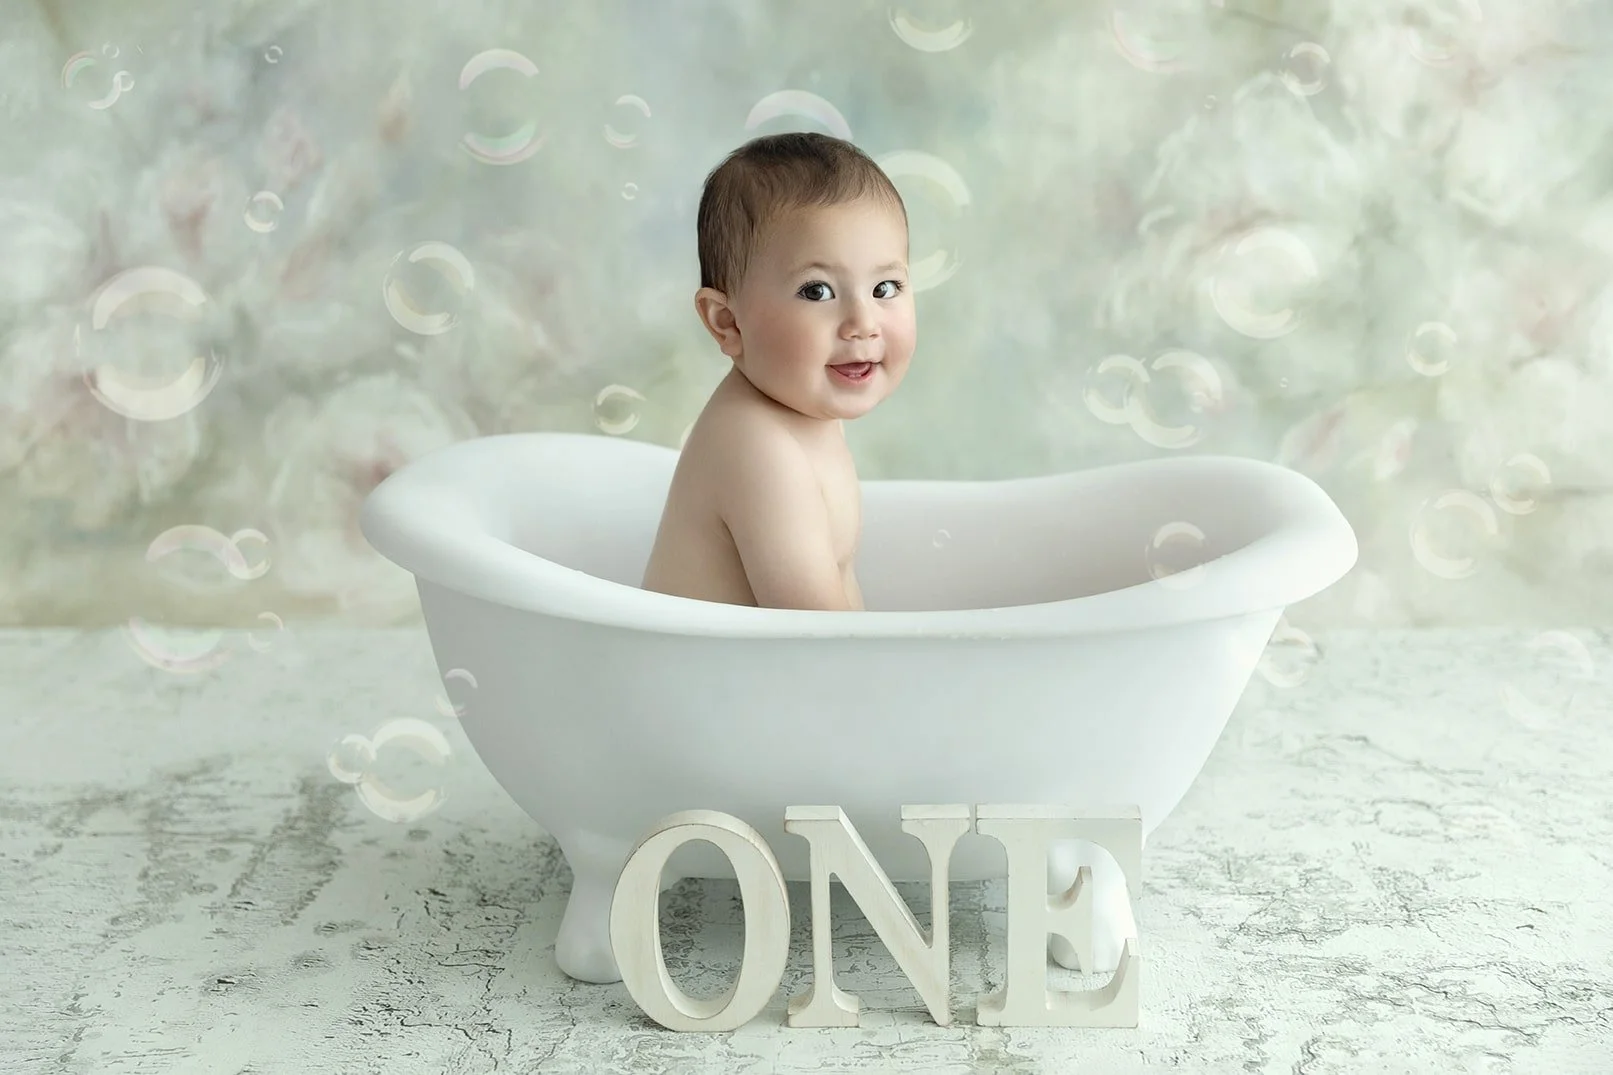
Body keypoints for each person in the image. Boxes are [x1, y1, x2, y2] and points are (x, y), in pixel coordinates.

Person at [641, 131, 916, 610]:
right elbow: (818, 638)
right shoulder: (757, 448)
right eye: (817, 292)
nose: (863, 324)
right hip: (706, 684)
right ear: (727, 323)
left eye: (885, 287)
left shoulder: (804, 411)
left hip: (769, 681)